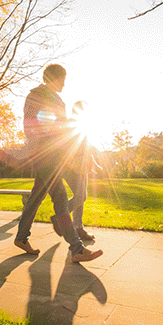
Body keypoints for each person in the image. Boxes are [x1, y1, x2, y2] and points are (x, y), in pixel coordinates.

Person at [14, 64, 103, 263]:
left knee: (36, 197)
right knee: (61, 198)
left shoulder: (57, 99)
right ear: (54, 78)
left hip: (55, 156)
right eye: (63, 79)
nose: (65, 83)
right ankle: (76, 248)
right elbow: (30, 125)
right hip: (44, 156)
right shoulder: (36, 96)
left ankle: (21, 237)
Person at [51, 100, 101, 241]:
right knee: (81, 196)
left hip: (80, 167)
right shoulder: (70, 125)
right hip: (72, 167)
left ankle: (78, 228)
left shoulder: (82, 125)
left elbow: (86, 148)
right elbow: (65, 146)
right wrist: (73, 164)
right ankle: (59, 218)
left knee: (80, 198)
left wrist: (94, 165)